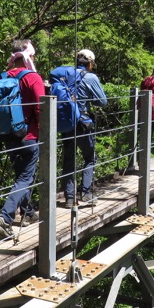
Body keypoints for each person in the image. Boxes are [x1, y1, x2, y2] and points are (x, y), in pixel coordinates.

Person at [0, 42, 45, 242]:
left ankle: (28, 212)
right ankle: (5, 218)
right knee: (25, 178)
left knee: (21, 176)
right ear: (29, 56)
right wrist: (43, 132)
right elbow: (41, 108)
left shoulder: (2, 78)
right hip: (28, 136)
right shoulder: (32, 78)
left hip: (8, 136)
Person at [60, 49, 108, 208]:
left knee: (68, 159)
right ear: (90, 63)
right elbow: (102, 101)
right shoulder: (90, 77)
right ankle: (86, 193)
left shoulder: (66, 75)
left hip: (66, 122)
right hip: (83, 122)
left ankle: (69, 198)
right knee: (90, 157)